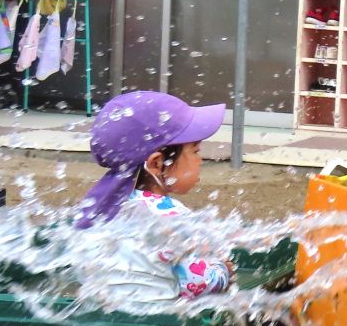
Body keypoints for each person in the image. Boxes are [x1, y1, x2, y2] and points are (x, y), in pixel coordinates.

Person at [75, 90, 232, 301]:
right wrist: (222, 270)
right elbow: (199, 285)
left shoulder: (100, 210)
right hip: (158, 321)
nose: (200, 160)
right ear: (157, 163)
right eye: (195, 151)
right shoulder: (172, 217)